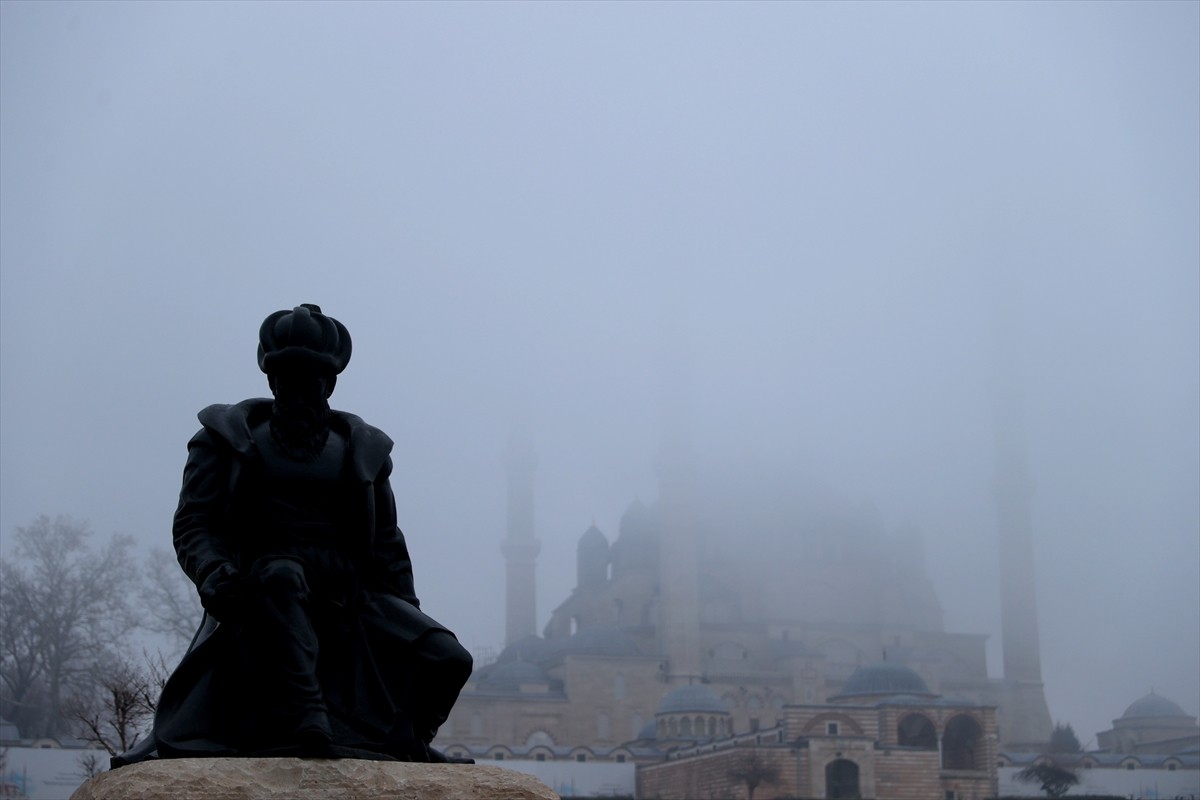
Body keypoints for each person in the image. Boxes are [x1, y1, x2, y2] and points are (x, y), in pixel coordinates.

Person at [115, 304, 471, 765]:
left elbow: (387, 544)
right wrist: (213, 571)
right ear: (271, 380)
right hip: (264, 584)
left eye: (311, 378)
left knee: (447, 658)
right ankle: (310, 721)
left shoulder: (361, 453)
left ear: (330, 383)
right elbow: (195, 523)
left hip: (350, 591)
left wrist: (407, 612)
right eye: (287, 377)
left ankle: (405, 740)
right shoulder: (226, 440)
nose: (298, 390)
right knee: (283, 578)